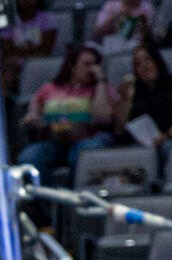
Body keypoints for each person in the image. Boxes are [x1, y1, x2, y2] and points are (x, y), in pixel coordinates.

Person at [18, 43, 116, 174]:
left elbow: (103, 117)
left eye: (95, 65)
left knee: (86, 153)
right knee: (30, 157)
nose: (92, 69)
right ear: (72, 67)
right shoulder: (49, 89)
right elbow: (33, 114)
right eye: (87, 64)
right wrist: (33, 119)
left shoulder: (101, 89)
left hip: (86, 139)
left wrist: (100, 81)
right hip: (54, 140)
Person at [118, 40, 172, 149]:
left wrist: (168, 135)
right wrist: (124, 98)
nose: (144, 66)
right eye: (138, 64)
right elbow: (120, 129)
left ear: (157, 61)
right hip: (142, 143)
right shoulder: (133, 91)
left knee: (168, 147)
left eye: (147, 60)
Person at [0, 0, 61, 92]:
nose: (26, 2)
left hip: (39, 61)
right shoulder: (10, 20)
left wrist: (22, 53)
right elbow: (7, 49)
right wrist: (32, 49)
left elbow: (46, 49)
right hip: (14, 63)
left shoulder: (47, 19)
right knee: (7, 68)